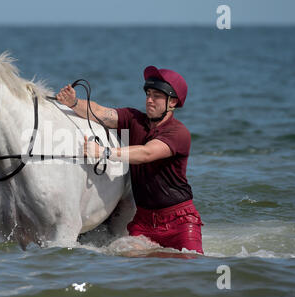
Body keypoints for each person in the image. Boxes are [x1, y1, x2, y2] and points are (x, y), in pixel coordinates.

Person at [56, 66, 204, 254]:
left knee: (191, 269)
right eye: (148, 94)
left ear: (172, 102)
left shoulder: (178, 132)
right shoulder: (133, 119)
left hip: (180, 222)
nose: (149, 100)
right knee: (127, 260)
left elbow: (146, 154)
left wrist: (103, 152)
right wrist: (74, 102)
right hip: (143, 221)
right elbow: (100, 112)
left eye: (157, 96)